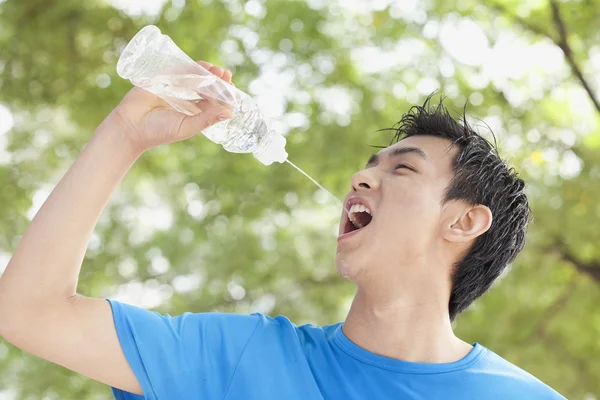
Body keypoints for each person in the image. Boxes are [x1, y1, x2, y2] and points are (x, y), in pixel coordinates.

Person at [0, 61, 565, 400]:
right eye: (369, 164)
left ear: (464, 221)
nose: (361, 178)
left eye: (403, 168)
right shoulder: (241, 357)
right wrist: (126, 132)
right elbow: (31, 311)